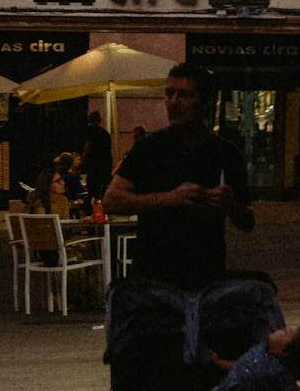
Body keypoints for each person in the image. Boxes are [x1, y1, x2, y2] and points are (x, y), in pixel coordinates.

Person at [102, 61, 254, 290]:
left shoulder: (226, 153)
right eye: (169, 94)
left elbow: (247, 222)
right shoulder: (148, 148)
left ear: (205, 103)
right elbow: (111, 200)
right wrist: (170, 198)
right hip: (152, 276)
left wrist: (229, 204)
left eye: (184, 95)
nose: (173, 103)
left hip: (206, 276)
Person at [81, 110, 113, 203]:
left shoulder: (90, 132)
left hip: (94, 166)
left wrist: (84, 158)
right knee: (102, 191)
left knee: (92, 189)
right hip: (105, 166)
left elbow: (88, 146)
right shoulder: (105, 133)